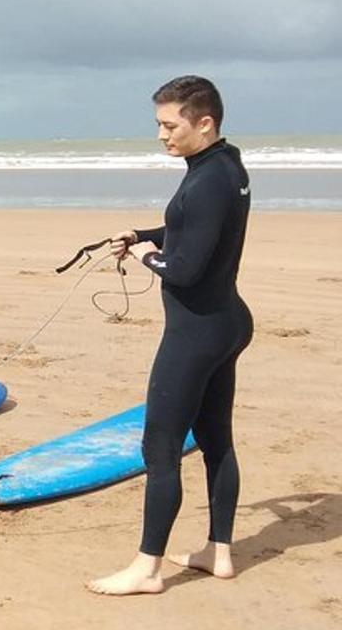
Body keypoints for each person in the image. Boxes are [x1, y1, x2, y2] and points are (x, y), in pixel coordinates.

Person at [87, 75, 253, 596]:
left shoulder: (205, 182)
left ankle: (147, 568)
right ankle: (218, 552)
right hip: (227, 322)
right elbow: (198, 232)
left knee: (159, 448)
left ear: (204, 122)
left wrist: (143, 256)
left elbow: (182, 270)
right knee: (215, 442)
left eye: (169, 124)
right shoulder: (226, 167)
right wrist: (144, 235)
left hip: (196, 333)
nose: (161, 134)